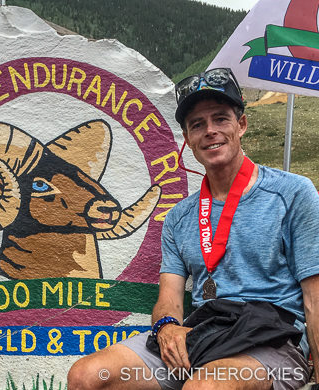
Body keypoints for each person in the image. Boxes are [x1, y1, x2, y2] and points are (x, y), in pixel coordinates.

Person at [67, 68, 319, 390]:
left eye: (220, 119)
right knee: (87, 376)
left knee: (205, 387)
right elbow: (169, 296)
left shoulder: (293, 194)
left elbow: (315, 300)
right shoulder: (178, 217)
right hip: (204, 335)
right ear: (188, 140)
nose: (210, 131)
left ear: (241, 125)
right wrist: (168, 326)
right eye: (197, 125)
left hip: (275, 343)